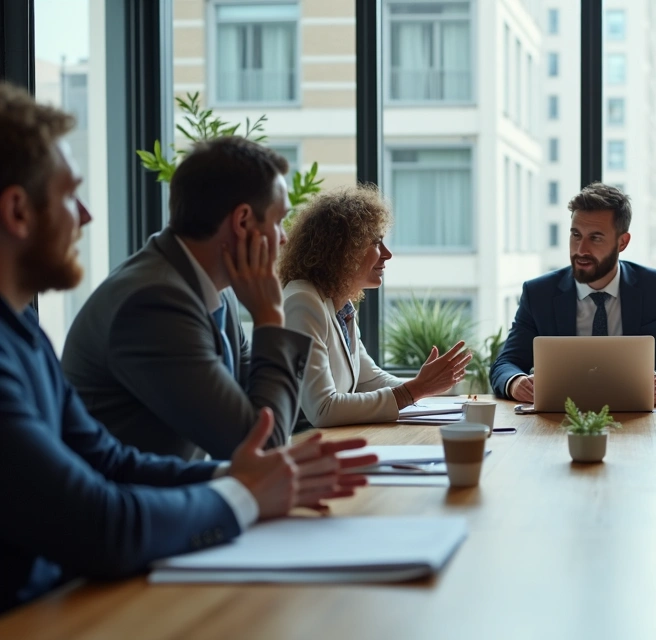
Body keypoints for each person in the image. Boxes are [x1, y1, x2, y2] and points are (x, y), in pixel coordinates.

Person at [0, 82, 374, 614]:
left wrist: (244, 478)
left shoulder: (25, 331)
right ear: (17, 211)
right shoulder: (152, 300)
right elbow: (252, 439)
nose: (84, 215)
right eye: (68, 194)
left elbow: (110, 460)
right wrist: (246, 490)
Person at [62, 136, 312, 460]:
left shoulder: (218, 290)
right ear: (243, 221)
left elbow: (261, 404)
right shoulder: (154, 304)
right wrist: (270, 317)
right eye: (278, 221)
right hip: (135, 506)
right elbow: (260, 446)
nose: (284, 237)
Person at [491, 183, 656, 404]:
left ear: (622, 242)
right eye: (576, 235)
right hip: (559, 420)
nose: (581, 249)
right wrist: (516, 382)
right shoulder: (539, 293)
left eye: (595, 238)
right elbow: (505, 364)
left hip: (639, 425)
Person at [279, 185, 471, 428]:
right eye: (376, 243)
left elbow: (368, 380)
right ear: (342, 250)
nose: (387, 254)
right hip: (298, 452)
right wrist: (417, 388)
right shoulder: (302, 302)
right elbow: (323, 409)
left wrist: (423, 386)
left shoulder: (338, 304)